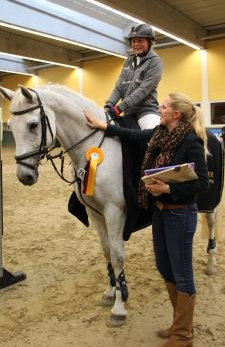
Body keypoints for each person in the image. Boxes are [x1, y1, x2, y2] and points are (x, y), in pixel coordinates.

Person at [85, 92, 209, 347]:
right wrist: (103, 126)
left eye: (163, 107)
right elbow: (133, 135)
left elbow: (202, 182)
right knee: (165, 267)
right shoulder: (159, 134)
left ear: (176, 114)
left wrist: (169, 190)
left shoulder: (191, 141)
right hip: (161, 213)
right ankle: (178, 324)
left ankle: (184, 335)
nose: (159, 109)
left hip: (180, 213)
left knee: (182, 273)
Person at [104, 23, 163, 129]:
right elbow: (119, 87)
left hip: (146, 112)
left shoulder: (155, 62)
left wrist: (120, 107)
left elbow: (143, 90)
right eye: (133, 41)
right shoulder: (129, 61)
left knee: (155, 139)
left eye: (140, 41)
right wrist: (109, 106)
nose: (136, 44)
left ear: (149, 42)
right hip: (128, 113)